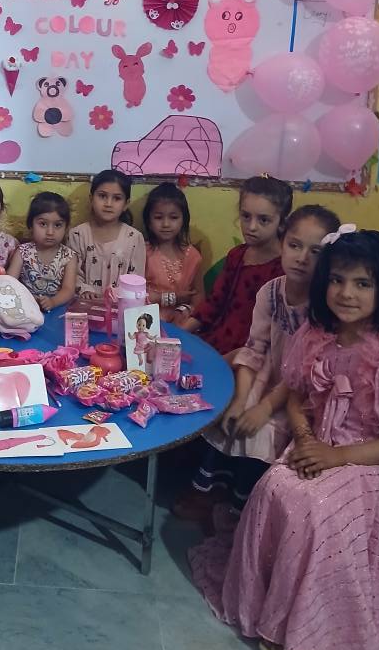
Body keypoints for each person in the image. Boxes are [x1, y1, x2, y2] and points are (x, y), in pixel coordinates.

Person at [190, 228, 379, 650]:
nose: (346, 293)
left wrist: (337, 457)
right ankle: (264, 603)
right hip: (317, 440)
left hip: (376, 459)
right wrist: (305, 437)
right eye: (337, 280)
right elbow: (297, 394)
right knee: (275, 485)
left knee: (316, 506)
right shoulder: (318, 333)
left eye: (362, 283)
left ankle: (309, 628)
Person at [180, 205, 340, 521]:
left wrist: (263, 408)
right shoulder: (270, 291)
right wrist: (241, 400)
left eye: (316, 252)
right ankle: (210, 491)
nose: (302, 258)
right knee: (229, 409)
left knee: (261, 429)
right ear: (283, 243)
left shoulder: (323, 306)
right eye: (294, 245)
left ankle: (243, 506)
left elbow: (304, 372)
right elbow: (254, 349)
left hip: (300, 392)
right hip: (264, 371)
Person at [177, 175, 292, 356]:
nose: (251, 227)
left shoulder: (284, 270)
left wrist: (223, 363)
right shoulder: (237, 255)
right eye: (246, 216)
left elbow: (272, 338)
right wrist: (178, 335)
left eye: (263, 220)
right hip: (214, 341)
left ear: (282, 222)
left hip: (249, 356)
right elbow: (213, 303)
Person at [68, 169, 145, 300]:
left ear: (126, 204)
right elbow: (72, 274)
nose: (108, 204)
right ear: (91, 199)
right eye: (102, 196)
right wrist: (85, 290)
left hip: (120, 306)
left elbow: (136, 280)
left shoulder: (134, 238)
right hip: (84, 305)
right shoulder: (78, 235)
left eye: (117, 198)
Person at [142, 182, 204, 323]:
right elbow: (134, 295)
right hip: (147, 321)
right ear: (149, 221)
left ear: (183, 219)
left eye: (173, 217)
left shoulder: (193, 256)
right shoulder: (143, 252)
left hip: (181, 321)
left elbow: (198, 297)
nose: (166, 224)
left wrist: (184, 310)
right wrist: (171, 298)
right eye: (158, 217)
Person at [7, 191, 78, 311]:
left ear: (66, 228)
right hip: (25, 306)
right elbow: (10, 283)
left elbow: (68, 290)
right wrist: (26, 299)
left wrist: (53, 302)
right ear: (31, 225)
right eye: (43, 224)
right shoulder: (22, 252)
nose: (50, 232)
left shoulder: (69, 257)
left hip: (57, 308)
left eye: (57, 225)